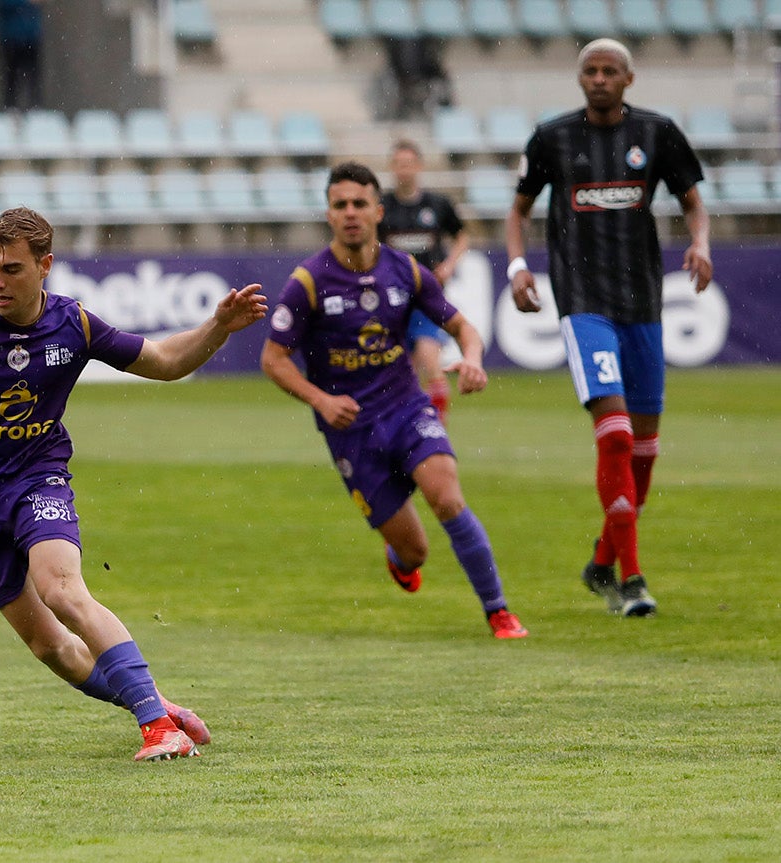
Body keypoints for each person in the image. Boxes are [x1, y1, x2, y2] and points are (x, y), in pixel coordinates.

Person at [0, 207, 267, 760]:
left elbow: (166, 362)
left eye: (11, 269)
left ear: (45, 265)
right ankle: (151, 701)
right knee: (49, 646)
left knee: (61, 589)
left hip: (38, 477)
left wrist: (219, 326)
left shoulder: (73, 324)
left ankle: (158, 728)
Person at [260, 161, 528, 640]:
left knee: (446, 496)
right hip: (350, 430)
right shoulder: (308, 282)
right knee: (416, 552)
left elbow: (462, 326)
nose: (350, 213)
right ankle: (399, 557)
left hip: (406, 407)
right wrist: (321, 400)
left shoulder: (405, 271)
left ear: (378, 211)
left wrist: (472, 358)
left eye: (359, 203)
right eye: (340, 204)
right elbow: (274, 358)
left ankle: (498, 611)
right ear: (328, 215)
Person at [505, 38, 712, 618]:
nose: (599, 79)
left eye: (609, 71)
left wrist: (699, 243)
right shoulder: (552, 138)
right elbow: (518, 210)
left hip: (643, 304)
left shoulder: (658, 133)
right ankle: (632, 579)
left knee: (643, 450)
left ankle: (600, 560)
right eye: (590, 71)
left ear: (629, 78)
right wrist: (518, 267)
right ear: (580, 79)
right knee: (617, 434)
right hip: (583, 304)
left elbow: (694, 201)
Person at [379, 140, 470, 423]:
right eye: (399, 165)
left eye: (409, 164)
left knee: (429, 353)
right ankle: (411, 418)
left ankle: (436, 419)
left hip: (427, 294)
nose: (404, 170)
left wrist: (450, 264)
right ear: (392, 168)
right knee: (402, 366)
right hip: (393, 295)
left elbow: (462, 236)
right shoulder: (382, 207)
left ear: (418, 167)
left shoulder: (437, 204)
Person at [0, 0, 44, 112]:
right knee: (11, 76)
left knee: (33, 75)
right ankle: (11, 107)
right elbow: (4, 5)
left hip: (31, 38)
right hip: (12, 38)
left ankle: (35, 105)